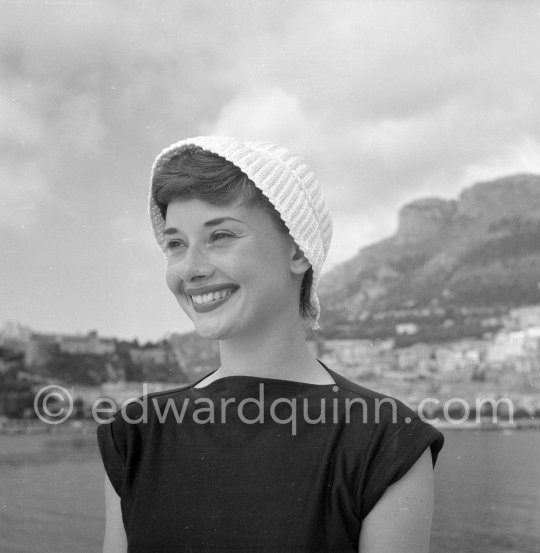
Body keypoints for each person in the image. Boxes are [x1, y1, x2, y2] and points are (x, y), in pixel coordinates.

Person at [97, 136, 445, 553]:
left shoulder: (385, 445)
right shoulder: (134, 435)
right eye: (175, 244)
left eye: (221, 235)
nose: (190, 268)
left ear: (298, 250)